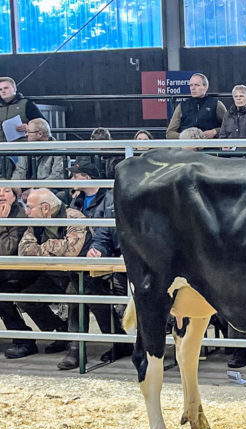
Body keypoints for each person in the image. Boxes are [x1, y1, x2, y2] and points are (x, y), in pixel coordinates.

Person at [55, 160, 132, 370]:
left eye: (75, 175)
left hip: (111, 260)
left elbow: (110, 231)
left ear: (87, 177)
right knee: (80, 287)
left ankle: (76, 349)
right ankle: (114, 340)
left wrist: (100, 249)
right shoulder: (75, 201)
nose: (71, 180)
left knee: (81, 290)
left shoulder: (110, 199)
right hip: (83, 260)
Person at [0, 188, 86, 359]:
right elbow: (24, 251)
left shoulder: (72, 217)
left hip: (75, 274)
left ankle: (76, 348)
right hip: (48, 273)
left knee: (77, 298)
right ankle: (59, 330)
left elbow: (71, 251)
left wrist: (42, 247)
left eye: (30, 207)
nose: (27, 211)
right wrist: (54, 246)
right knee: (25, 298)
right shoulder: (35, 220)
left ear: (45, 208)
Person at [0, 77, 45, 178]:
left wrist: (28, 127)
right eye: (0, 89)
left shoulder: (26, 104)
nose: (3, 91)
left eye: (6, 88)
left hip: (22, 149)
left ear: (14, 88)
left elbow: (43, 124)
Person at [166, 73, 226, 139]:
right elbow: (169, 133)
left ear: (205, 87)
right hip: (186, 147)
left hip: (209, 145)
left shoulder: (216, 104)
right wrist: (184, 137)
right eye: (191, 85)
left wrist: (215, 132)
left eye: (197, 85)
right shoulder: (182, 106)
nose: (193, 88)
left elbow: (229, 127)